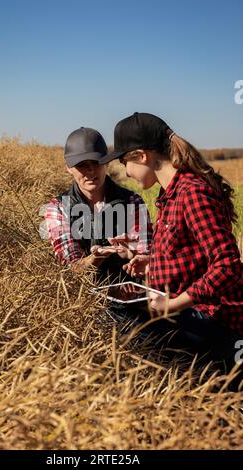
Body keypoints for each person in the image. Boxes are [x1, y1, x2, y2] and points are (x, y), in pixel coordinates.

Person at [105, 112, 243, 388]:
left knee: (115, 316)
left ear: (142, 156)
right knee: (116, 305)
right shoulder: (170, 194)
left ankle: (211, 375)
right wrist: (147, 261)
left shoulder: (192, 193)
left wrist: (172, 305)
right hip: (198, 314)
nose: (127, 173)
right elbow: (191, 254)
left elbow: (228, 265)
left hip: (216, 320)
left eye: (124, 162)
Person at [42, 126, 152, 284]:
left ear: (106, 162)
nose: (90, 171)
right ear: (68, 167)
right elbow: (71, 267)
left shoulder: (133, 202)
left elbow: (146, 256)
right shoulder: (57, 208)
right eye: (81, 165)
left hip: (128, 295)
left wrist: (133, 254)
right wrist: (95, 258)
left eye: (96, 162)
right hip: (83, 302)